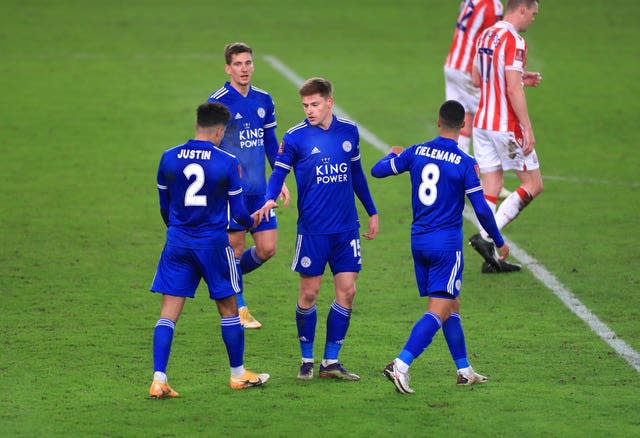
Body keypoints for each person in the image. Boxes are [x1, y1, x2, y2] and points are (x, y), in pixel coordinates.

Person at [371, 100, 510, 394]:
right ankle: (401, 364)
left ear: (438, 121)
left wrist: (391, 155)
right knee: (438, 308)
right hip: (446, 246)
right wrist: (498, 241)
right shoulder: (464, 162)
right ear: (463, 127)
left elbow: (378, 171)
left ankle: (464, 370)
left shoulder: (417, 151)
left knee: (451, 304)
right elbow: (482, 210)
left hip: (418, 242)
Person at [257, 77, 379, 381]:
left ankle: (330, 362)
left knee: (348, 291)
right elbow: (279, 172)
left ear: (329, 102)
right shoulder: (295, 137)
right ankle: (306, 358)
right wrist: (270, 198)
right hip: (312, 231)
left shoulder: (349, 131)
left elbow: (357, 175)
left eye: (314, 104)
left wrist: (372, 211)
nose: (309, 110)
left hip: (346, 229)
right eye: (305, 105)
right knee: (309, 294)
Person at [148, 102, 269, 398]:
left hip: (178, 242)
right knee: (229, 309)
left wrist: (178, 228)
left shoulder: (168, 157)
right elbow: (239, 216)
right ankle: (238, 375)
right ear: (219, 131)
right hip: (213, 244)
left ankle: (159, 379)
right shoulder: (226, 162)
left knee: (168, 315)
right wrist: (257, 216)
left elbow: (165, 208)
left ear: (197, 125)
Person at [207, 42, 290, 328]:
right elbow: (209, 145)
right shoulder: (219, 102)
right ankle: (240, 308)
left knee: (267, 248)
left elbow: (270, 142)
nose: (244, 69)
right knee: (237, 248)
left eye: (248, 63)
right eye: (238, 64)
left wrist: (278, 180)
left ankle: (224, 276)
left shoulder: (264, 100)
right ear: (228, 68)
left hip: (260, 190)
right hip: (233, 193)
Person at [469, 0, 542, 273]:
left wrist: (522, 77)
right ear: (521, 9)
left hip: (482, 123)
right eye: (533, 14)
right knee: (533, 184)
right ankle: (487, 237)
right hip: (505, 124)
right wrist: (527, 128)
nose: (533, 19)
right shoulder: (515, 41)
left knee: (491, 186)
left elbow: (478, 79)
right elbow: (512, 88)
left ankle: (490, 260)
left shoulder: (485, 34)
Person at [445, 0, 512, 200]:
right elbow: (491, 41)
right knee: (492, 120)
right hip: (468, 72)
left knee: (462, 124)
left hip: (452, 65)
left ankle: (455, 179)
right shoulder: (494, 7)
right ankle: (491, 182)